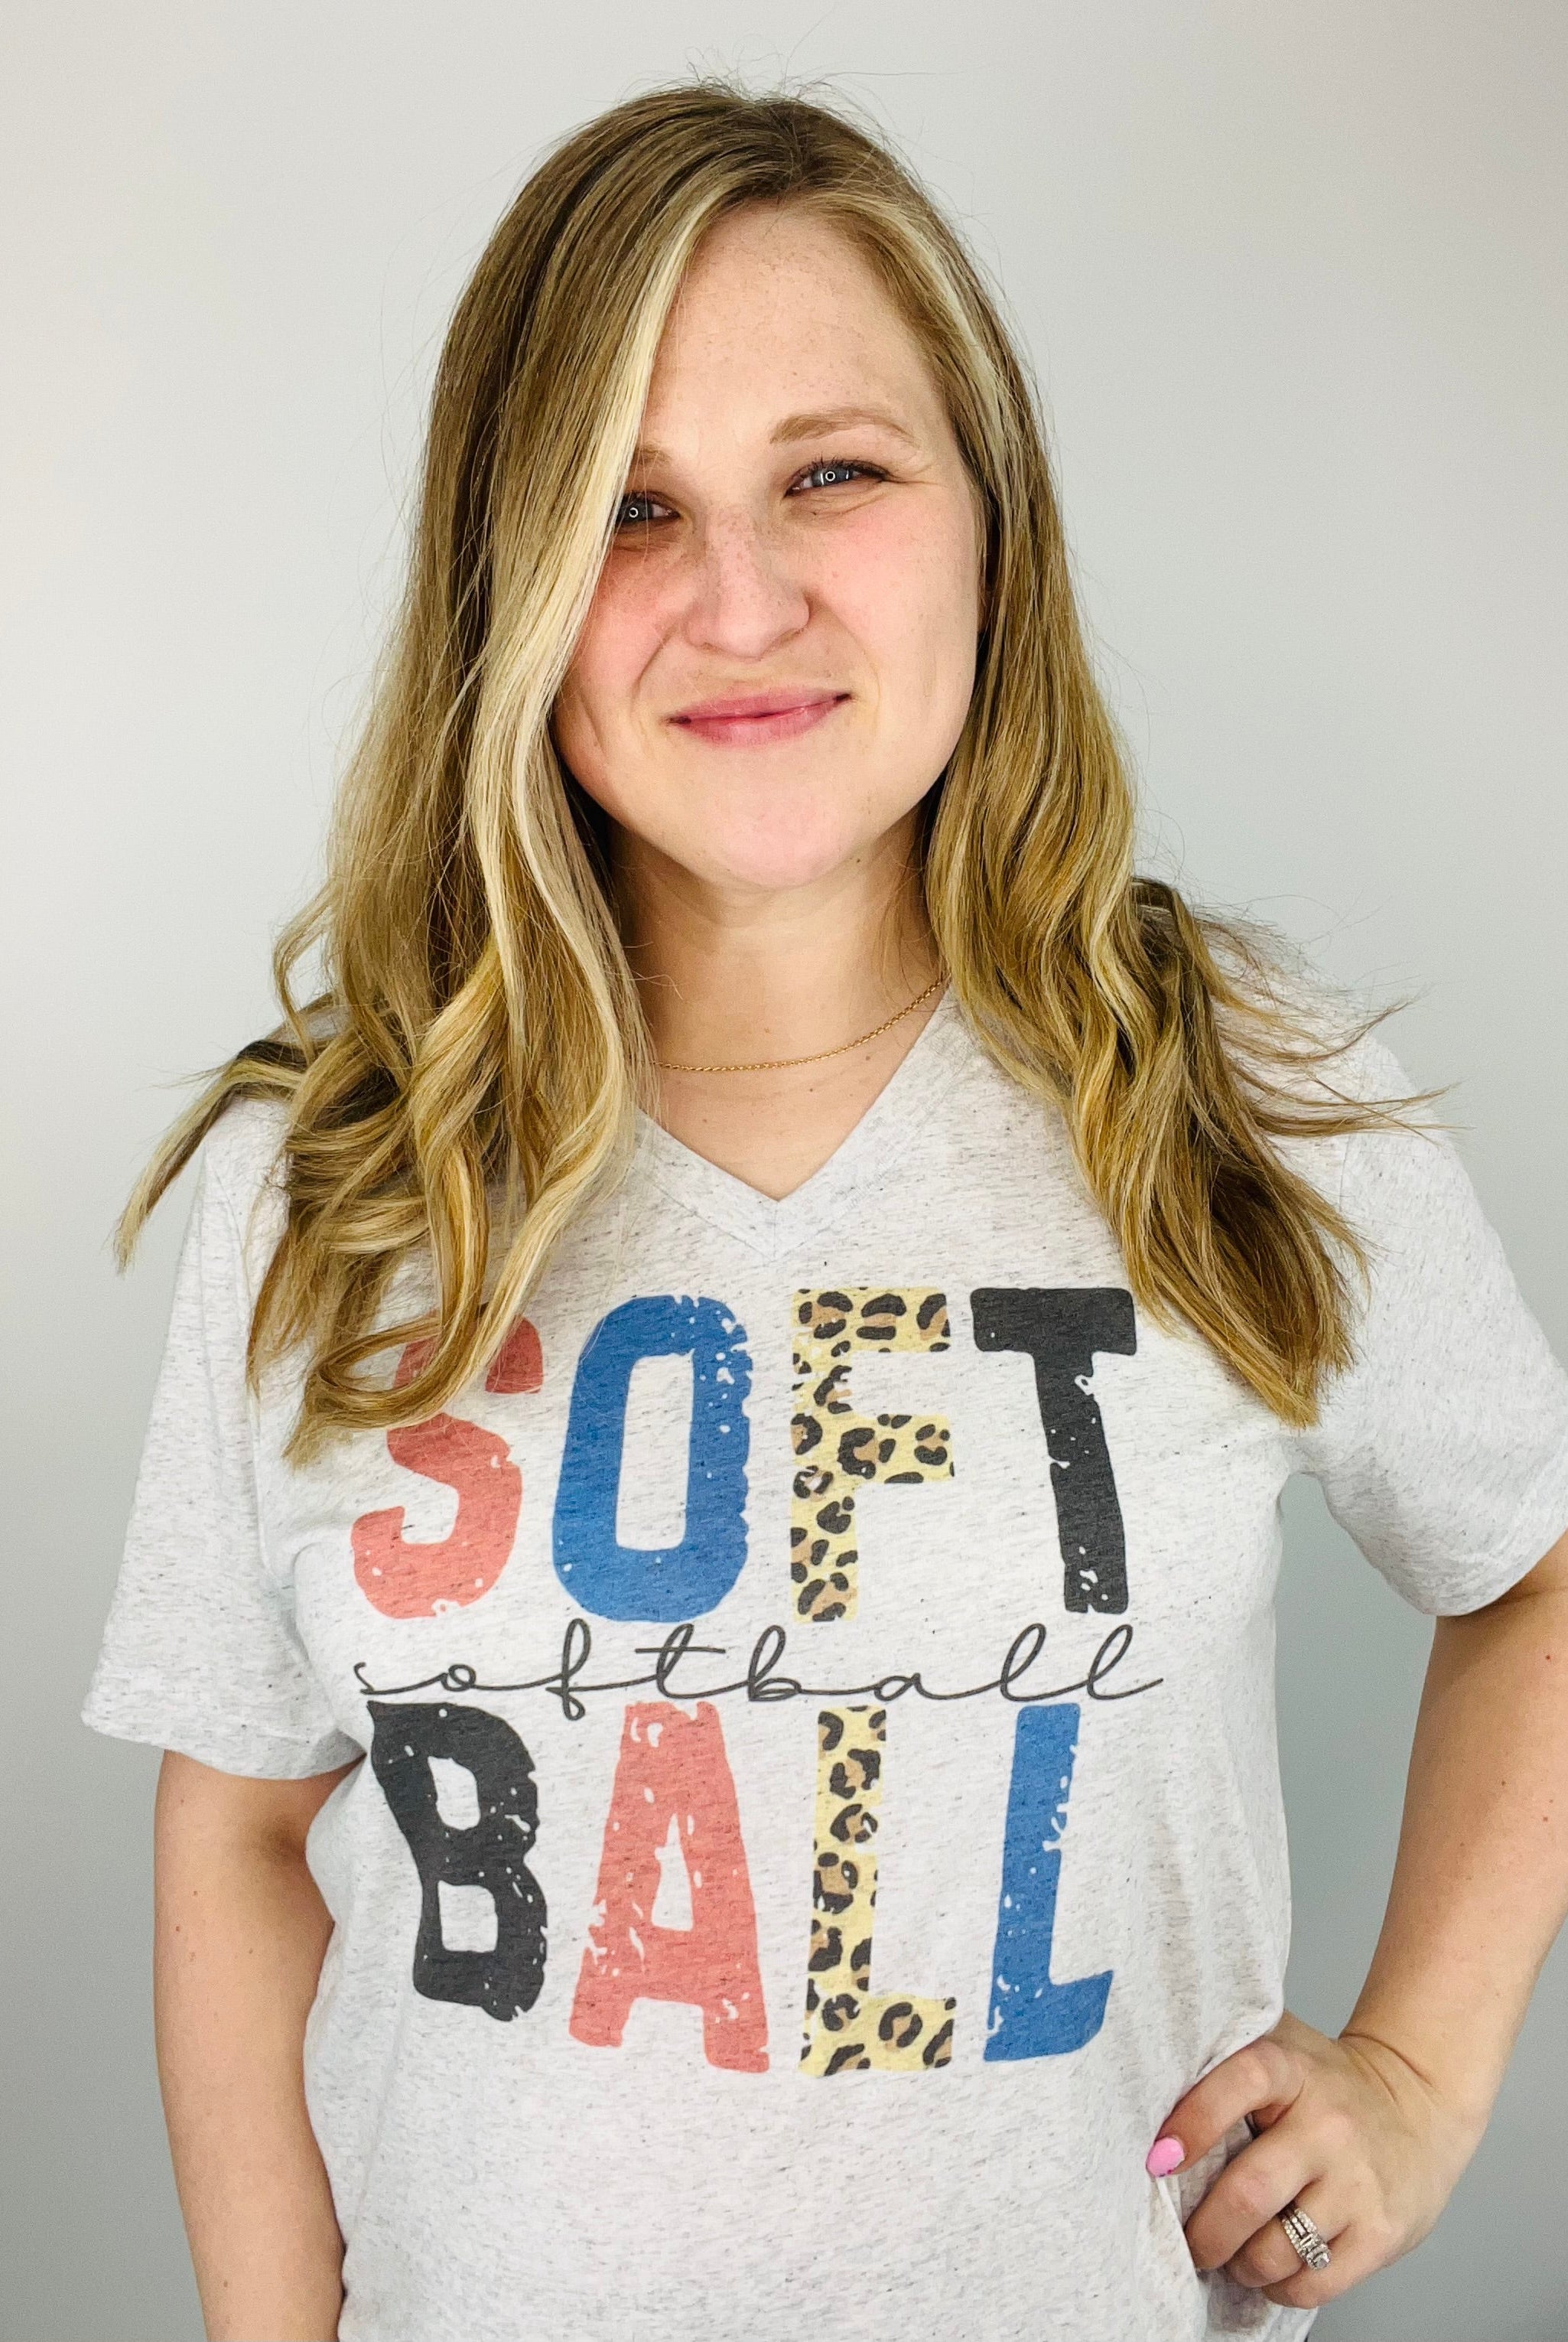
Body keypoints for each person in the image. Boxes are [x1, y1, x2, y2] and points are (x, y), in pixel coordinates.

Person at [85, 82, 1568, 2342]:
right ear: (508, 582)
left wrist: (1426, 2074)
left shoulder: (1236, 1094)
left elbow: (1537, 1564)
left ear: (990, 522)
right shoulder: (343, 1175)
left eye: (833, 474)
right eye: (627, 506)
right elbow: (239, 1826)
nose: (742, 599)